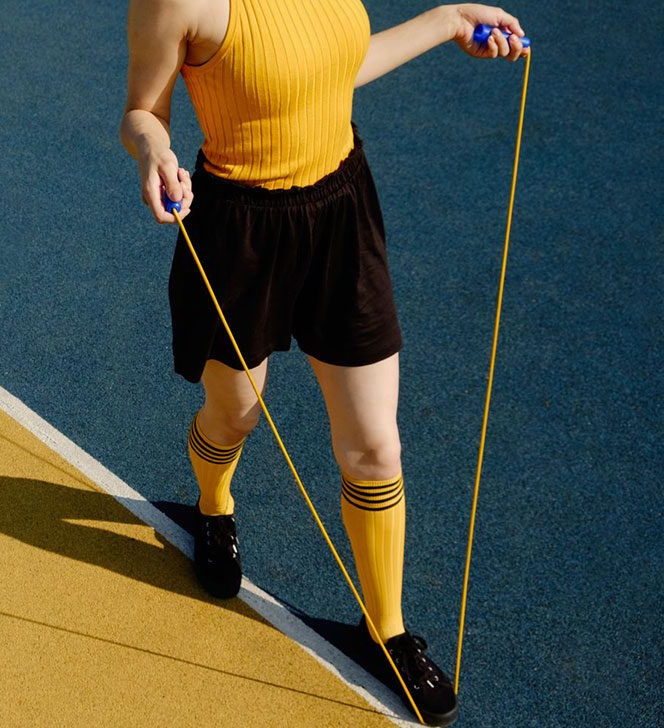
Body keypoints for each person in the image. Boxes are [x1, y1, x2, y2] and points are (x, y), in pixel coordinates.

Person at [119, 1, 528, 725]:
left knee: (375, 445)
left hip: (341, 212)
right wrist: (156, 152)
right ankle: (214, 509)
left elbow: (332, 71)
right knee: (236, 412)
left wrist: (446, 22)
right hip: (239, 230)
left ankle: (388, 630)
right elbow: (142, 112)